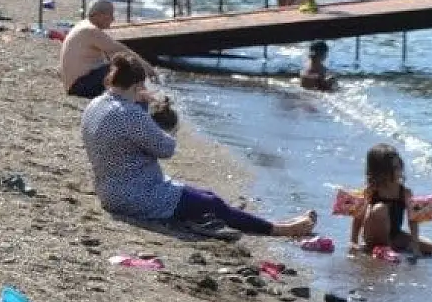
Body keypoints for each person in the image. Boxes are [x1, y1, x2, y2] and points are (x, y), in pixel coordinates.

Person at [82, 53, 318, 237]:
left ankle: (255, 219)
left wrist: (142, 105)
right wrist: (171, 125)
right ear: (136, 87)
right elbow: (167, 149)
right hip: (136, 195)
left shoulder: (96, 104)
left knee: (206, 196)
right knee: (212, 204)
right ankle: (279, 229)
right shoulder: (130, 114)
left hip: (111, 188)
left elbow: (126, 138)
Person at [59, 0, 157, 99]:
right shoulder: (90, 30)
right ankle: (144, 100)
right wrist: (147, 68)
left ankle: (142, 96)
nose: (113, 19)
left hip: (77, 83)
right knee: (127, 68)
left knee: (118, 67)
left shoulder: (83, 25)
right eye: (111, 15)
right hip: (79, 86)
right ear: (100, 15)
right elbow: (120, 50)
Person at [351, 144, 432, 256]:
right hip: (372, 234)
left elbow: (413, 219)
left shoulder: (404, 192)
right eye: (394, 168)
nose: (398, 171)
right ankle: (381, 248)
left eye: (399, 167)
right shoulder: (372, 190)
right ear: (380, 171)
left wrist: (415, 244)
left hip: (395, 234)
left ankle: (389, 246)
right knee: (380, 209)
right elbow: (358, 216)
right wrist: (353, 241)